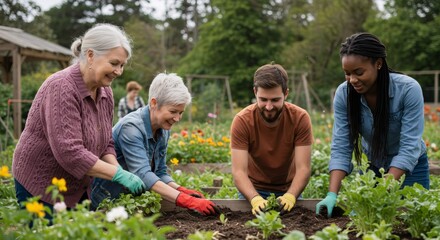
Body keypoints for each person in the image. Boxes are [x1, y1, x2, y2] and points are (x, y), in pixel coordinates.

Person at [12, 23, 145, 213]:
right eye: (114, 63)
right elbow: (70, 152)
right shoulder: (61, 87)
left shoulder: (105, 91)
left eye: (122, 65)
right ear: (91, 55)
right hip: (41, 185)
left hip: (76, 186)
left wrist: (119, 171)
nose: (119, 71)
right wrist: (117, 174)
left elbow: (106, 141)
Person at [316, 32, 429, 218]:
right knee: (366, 220)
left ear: (378, 63)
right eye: (347, 73)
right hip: (373, 167)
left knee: (413, 220)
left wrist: (381, 191)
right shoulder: (344, 94)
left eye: (359, 72)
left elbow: (409, 147)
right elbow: (341, 146)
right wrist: (332, 194)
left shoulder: (408, 90)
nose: (352, 80)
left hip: (411, 169)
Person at [91, 73, 219, 216]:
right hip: (106, 200)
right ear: (153, 103)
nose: (177, 118)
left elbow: (159, 173)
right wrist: (186, 201)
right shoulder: (131, 128)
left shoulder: (163, 129)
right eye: (173, 111)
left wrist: (181, 189)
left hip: (130, 202)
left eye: (181, 112)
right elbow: (143, 174)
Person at [230, 63, 313, 215]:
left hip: (288, 190)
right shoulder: (242, 120)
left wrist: (291, 195)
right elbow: (239, 171)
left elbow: (303, 168)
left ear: (286, 94)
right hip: (252, 190)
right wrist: (255, 198)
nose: (268, 107)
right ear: (255, 92)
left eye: (275, 100)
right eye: (263, 99)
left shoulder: (300, 118)